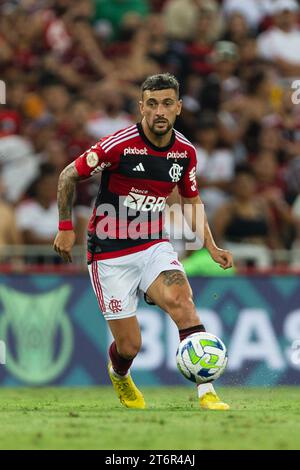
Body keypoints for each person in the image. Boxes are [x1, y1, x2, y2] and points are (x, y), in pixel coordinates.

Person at [53, 73, 233, 411]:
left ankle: (207, 392)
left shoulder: (184, 154)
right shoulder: (118, 146)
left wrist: (211, 245)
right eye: (152, 104)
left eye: (167, 103)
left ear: (178, 107)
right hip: (109, 253)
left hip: (153, 244)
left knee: (183, 301)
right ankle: (120, 374)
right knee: (130, 346)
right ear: (141, 107)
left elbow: (191, 201)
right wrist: (65, 226)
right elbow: (68, 175)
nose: (159, 111)